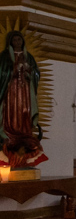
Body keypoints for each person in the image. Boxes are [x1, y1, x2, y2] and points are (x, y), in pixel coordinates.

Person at [0, 30, 47, 168]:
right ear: (10, 42)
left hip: (25, 91)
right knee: (11, 111)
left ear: (23, 41)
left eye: (19, 40)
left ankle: (24, 133)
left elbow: (36, 73)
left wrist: (29, 72)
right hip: (10, 90)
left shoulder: (29, 57)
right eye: (14, 40)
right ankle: (9, 133)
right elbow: (1, 72)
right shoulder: (4, 57)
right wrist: (12, 71)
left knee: (23, 111)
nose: (17, 42)